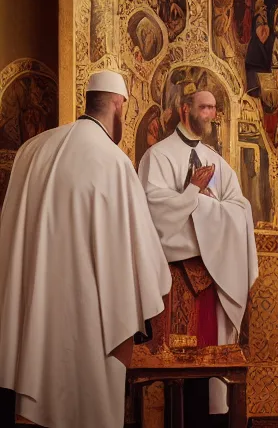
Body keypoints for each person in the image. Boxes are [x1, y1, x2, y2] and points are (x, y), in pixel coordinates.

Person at [0, 71, 172, 428]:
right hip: (91, 328)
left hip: (35, 321)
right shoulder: (113, 162)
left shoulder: (31, 151)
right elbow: (139, 262)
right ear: (117, 105)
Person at [136, 86, 259, 420]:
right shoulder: (158, 157)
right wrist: (194, 195)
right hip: (175, 279)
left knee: (211, 366)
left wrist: (201, 208)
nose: (211, 114)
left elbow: (240, 209)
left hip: (212, 278)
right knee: (174, 371)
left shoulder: (217, 162)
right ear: (184, 109)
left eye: (214, 108)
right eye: (204, 107)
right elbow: (152, 211)